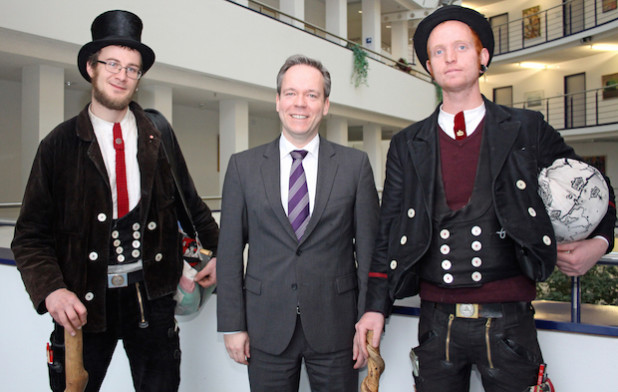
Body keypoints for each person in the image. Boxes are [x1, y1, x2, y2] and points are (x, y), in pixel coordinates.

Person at [355, 5, 616, 392]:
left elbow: (597, 189)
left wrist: (601, 242)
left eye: (460, 47)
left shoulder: (528, 129)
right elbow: (387, 232)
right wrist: (375, 308)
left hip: (511, 325)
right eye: (438, 51)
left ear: (483, 57)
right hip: (435, 326)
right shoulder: (407, 144)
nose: (449, 58)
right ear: (429, 66)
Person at [11, 10, 218, 392]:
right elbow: (29, 237)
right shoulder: (58, 146)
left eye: (132, 68)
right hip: (83, 307)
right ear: (91, 67)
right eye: (112, 63)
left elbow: (194, 208)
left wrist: (220, 252)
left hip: (152, 302)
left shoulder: (159, 135)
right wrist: (51, 290)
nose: (122, 75)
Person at [216, 54, 380, 392]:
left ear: (326, 105)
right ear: (277, 101)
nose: (300, 103)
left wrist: (368, 315)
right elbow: (229, 252)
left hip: (338, 328)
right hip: (265, 328)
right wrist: (232, 326)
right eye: (290, 93)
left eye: (311, 94)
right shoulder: (242, 167)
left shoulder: (355, 166)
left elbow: (369, 252)